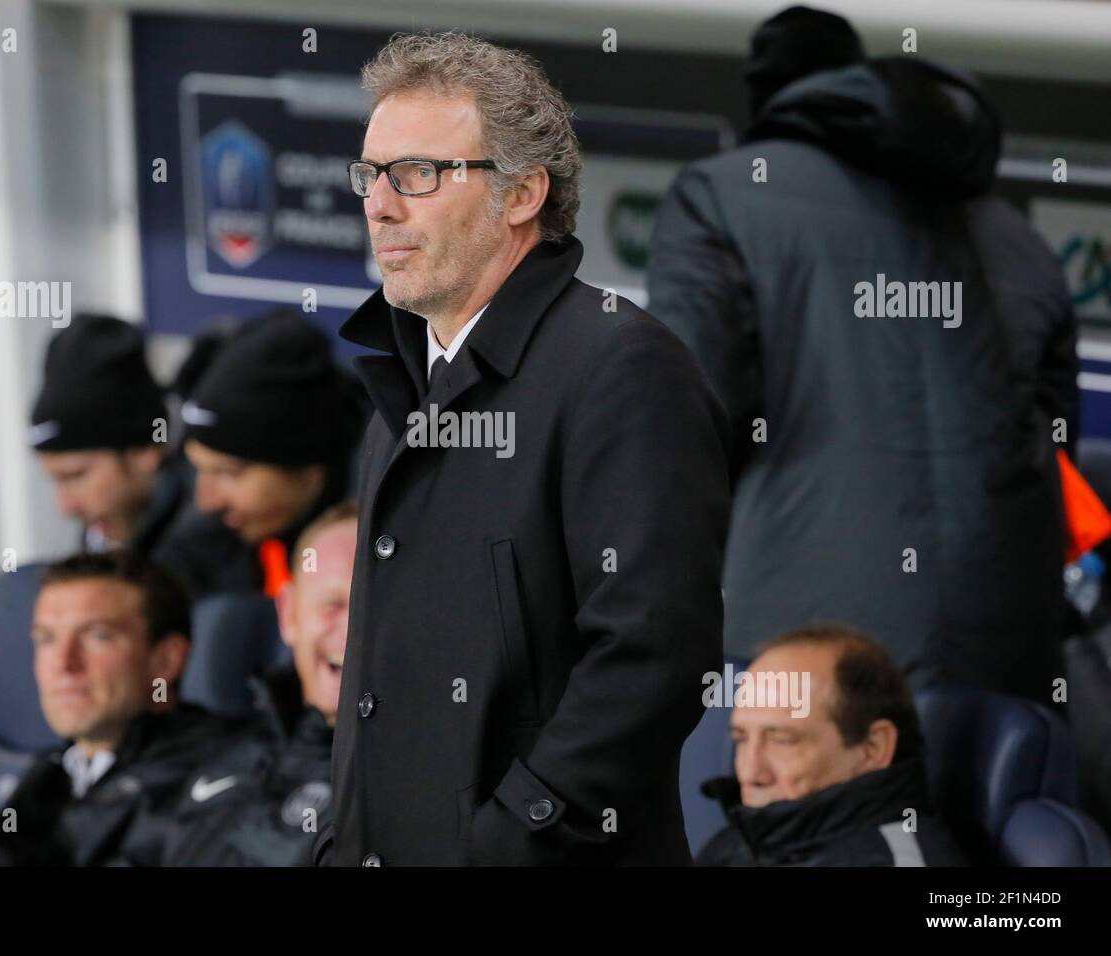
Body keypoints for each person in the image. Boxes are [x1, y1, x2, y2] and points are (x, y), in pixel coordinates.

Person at [322, 31, 730, 867]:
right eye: (371, 174)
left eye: (419, 174)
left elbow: (654, 657)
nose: (380, 204)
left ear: (522, 195)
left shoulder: (621, 364)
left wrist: (511, 837)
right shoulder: (402, 381)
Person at [646, 6, 1079, 704]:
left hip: (803, 651)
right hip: (1009, 647)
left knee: (800, 815)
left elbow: (691, 423)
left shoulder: (720, 196)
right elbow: (1053, 443)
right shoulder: (1016, 237)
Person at [0, 551, 263, 866]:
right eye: (46, 640)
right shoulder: (52, 776)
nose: (64, 662)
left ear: (165, 661)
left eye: (96, 636)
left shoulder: (226, 774)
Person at [164, 502, 356, 866]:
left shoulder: (423, 785)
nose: (352, 631)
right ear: (288, 614)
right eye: (332, 605)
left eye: (372, 607)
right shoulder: (222, 754)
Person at [697, 625, 967, 866]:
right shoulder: (745, 841)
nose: (750, 773)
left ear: (873, 747)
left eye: (782, 741)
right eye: (741, 739)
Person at [29, 313, 244, 599]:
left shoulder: (210, 539)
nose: (66, 507)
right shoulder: (109, 525)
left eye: (76, 476)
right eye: (56, 481)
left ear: (144, 452)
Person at [177, 310, 367, 599]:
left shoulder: (383, 550)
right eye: (199, 469)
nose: (207, 501)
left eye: (230, 473)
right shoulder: (202, 549)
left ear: (310, 470)